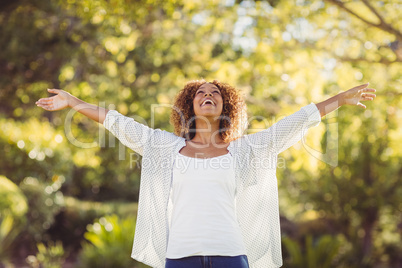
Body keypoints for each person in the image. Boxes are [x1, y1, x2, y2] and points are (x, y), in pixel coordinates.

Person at [36, 80, 376, 268]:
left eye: (215, 93)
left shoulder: (246, 150)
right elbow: (118, 122)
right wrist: (73, 102)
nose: (208, 96)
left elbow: (294, 123)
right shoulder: (164, 147)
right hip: (180, 257)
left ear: (225, 107)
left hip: (232, 255)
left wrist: (338, 100)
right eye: (201, 93)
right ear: (190, 106)